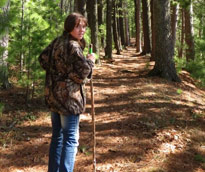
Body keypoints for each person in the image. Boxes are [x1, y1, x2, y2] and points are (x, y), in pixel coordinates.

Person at [38, 13, 95, 172]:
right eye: (78, 26)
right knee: (70, 139)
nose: (81, 30)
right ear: (69, 26)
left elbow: (43, 59)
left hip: (54, 97)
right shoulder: (73, 46)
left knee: (58, 137)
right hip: (68, 100)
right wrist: (90, 60)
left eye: (83, 26)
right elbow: (84, 72)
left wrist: (58, 74)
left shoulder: (57, 42)